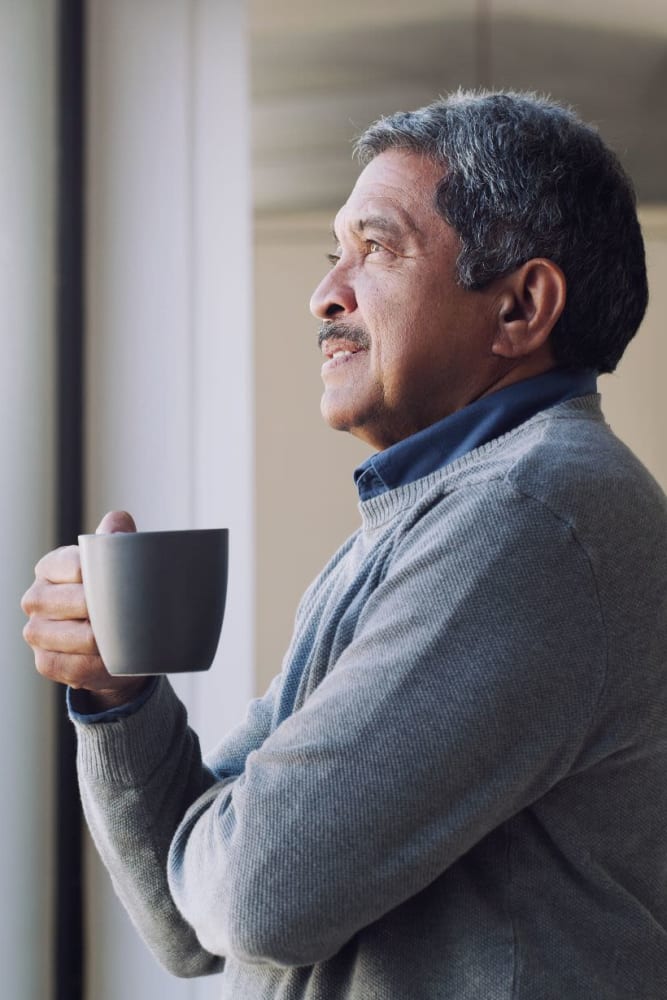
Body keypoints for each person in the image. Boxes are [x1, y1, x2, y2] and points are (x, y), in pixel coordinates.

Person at [22, 90, 667, 999]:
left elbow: (252, 899)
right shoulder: (428, 516)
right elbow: (187, 928)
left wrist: (230, 840)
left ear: (521, 306)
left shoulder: (531, 516)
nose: (326, 292)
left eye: (377, 248)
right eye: (336, 252)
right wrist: (116, 695)